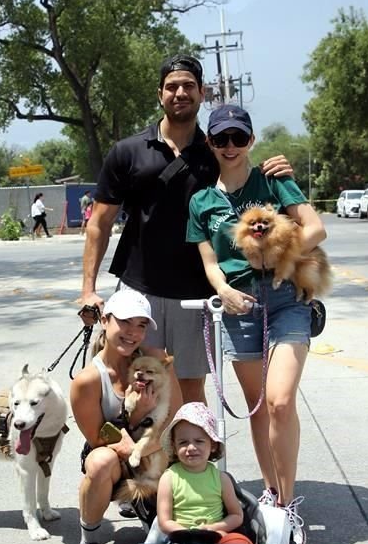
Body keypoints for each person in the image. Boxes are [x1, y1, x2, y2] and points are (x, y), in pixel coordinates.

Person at [78, 54, 294, 406]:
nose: (180, 92)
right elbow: (99, 223)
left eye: (188, 86)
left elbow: (253, 191)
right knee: (141, 386)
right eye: (172, 86)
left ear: (202, 93)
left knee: (191, 390)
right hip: (140, 289)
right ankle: (146, 461)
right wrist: (88, 290)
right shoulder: (128, 152)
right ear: (160, 94)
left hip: (198, 291)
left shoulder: (217, 151)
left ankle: (192, 462)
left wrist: (279, 168)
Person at [187, 104, 327, 544]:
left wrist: (277, 257)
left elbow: (316, 229)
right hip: (239, 307)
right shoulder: (201, 201)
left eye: (238, 137)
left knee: (280, 401)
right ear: (210, 143)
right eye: (221, 138)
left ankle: (287, 504)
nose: (230, 146)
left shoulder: (273, 179)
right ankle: (271, 490)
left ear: (250, 140)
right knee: (257, 407)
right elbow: (210, 264)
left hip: (286, 300)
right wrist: (224, 291)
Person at [70, 289, 178, 544]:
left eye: (142, 325)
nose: (133, 332)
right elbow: (97, 435)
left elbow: (174, 413)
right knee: (100, 462)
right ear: (105, 321)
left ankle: (158, 521)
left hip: (155, 451)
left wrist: (152, 448)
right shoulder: (89, 380)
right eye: (125, 322)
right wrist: (134, 424)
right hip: (114, 454)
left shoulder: (157, 361)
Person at [157, 402, 257, 544]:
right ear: (174, 447)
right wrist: (187, 534)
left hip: (215, 533)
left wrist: (213, 529)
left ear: (212, 445)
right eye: (183, 442)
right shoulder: (168, 478)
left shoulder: (221, 478)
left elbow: (236, 515)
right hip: (180, 536)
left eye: (199, 441)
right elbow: (164, 521)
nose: (191, 447)